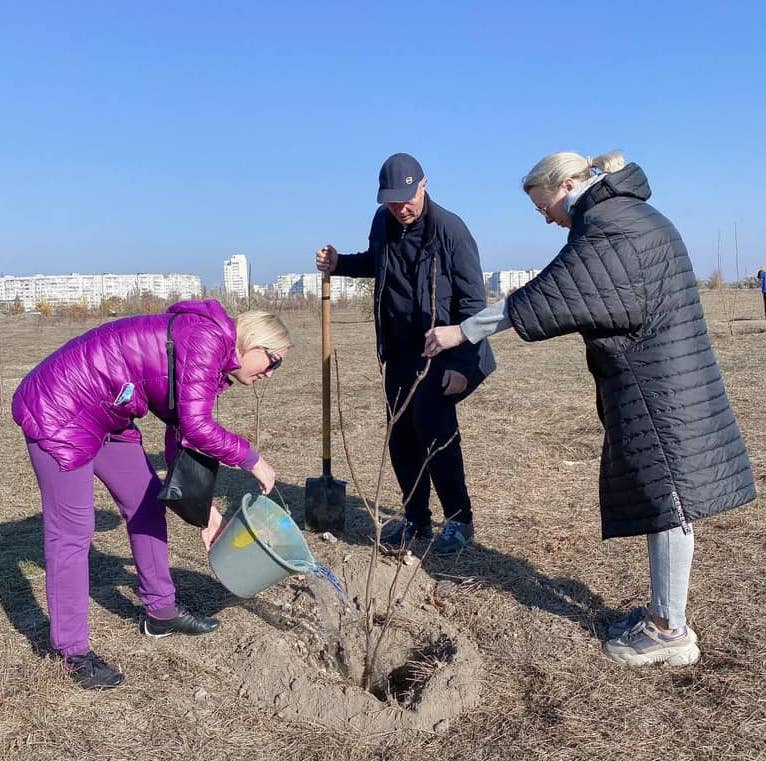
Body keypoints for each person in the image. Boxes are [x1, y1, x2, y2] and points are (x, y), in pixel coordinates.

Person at [424, 151, 756, 666]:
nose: (547, 218)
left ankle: (670, 631)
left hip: (656, 386)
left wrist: (461, 331)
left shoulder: (608, 226)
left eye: (544, 207)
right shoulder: (627, 213)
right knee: (664, 496)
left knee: (668, 500)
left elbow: (544, 296)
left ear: (568, 184)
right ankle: (664, 612)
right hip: (664, 377)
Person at [12, 299, 291, 689]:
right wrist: (251, 459)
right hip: (61, 408)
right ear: (254, 345)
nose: (271, 374)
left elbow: (180, 431)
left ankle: (160, 611)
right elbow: (197, 426)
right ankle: (72, 652)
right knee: (72, 534)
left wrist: (204, 511)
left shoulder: (210, 355)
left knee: (146, 503)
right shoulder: (208, 339)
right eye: (273, 361)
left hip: (109, 412)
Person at [315, 153, 495, 554]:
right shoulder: (383, 223)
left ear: (424, 185)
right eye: (392, 201)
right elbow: (377, 264)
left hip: (443, 350)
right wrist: (340, 263)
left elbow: (473, 305)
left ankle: (459, 520)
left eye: (406, 199)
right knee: (401, 437)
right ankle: (416, 520)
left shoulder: (451, 230)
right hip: (398, 351)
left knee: (435, 431)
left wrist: (464, 363)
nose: (401, 208)